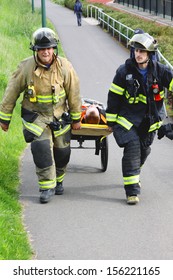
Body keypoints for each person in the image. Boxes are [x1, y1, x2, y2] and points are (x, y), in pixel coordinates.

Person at [0, 27, 82, 204]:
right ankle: (46, 187)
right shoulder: (26, 67)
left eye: (49, 48)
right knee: (41, 149)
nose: (45, 52)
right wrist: (4, 118)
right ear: (35, 50)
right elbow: (11, 92)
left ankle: (58, 180)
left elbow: (74, 93)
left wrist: (76, 118)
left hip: (59, 116)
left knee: (62, 152)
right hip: (35, 117)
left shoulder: (65, 67)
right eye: (41, 49)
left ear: (54, 49)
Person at [106, 32, 173, 205]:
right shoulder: (124, 72)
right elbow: (113, 97)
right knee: (133, 149)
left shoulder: (161, 71)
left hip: (148, 124)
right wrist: (110, 122)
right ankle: (132, 192)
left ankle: (134, 173)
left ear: (150, 54)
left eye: (142, 51)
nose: (138, 54)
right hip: (126, 121)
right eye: (136, 50)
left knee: (143, 151)